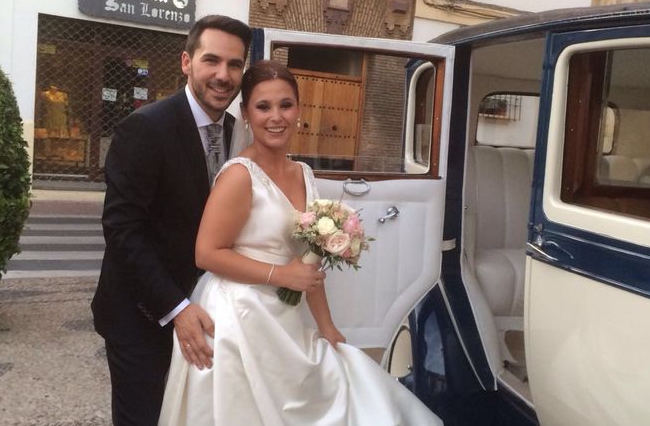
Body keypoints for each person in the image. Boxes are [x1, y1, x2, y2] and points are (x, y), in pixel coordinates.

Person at [158, 61, 442, 425]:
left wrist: (326, 326)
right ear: (246, 114)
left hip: (287, 317)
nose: (275, 117)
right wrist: (282, 275)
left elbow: (309, 259)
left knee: (341, 387)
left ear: (299, 110)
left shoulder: (304, 173)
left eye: (285, 105)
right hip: (238, 317)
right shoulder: (239, 176)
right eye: (263, 107)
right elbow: (207, 253)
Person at [91, 14, 253, 426]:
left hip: (210, 310)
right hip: (144, 314)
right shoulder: (144, 128)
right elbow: (123, 230)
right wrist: (177, 308)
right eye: (211, 61)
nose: (223, 75)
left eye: (235, 65)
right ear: (186, 62)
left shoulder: (238, 132)